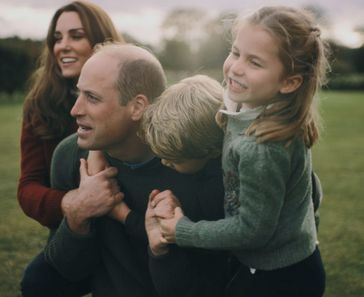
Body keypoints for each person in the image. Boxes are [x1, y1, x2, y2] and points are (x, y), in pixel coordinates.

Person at [150, 6, 329, 297]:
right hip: (286, 261)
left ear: (289, 82)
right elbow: (311, 188)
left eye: (255, 62)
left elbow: (252, 231)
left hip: (279, 278)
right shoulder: (252, 105)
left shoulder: (262, 148)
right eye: (235, 52)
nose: (235, 67)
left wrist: (183, 230)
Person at [44, 42, 231, 297]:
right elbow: (69, 271)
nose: (75, 110)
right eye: (79, 94)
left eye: (92, 98)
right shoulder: (70, 156)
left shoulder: (197, 161)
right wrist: (78, 213)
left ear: (137, 106)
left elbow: (215, 279)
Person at [17, 1, 124, 296]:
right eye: (57, 38)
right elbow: (28, 188)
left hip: (127, 235)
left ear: (102, 42)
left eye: (76, 35)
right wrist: (75, 203)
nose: (63, 45)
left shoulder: (131, 92)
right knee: (37, 283)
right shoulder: (40, 105)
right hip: (72, 233)